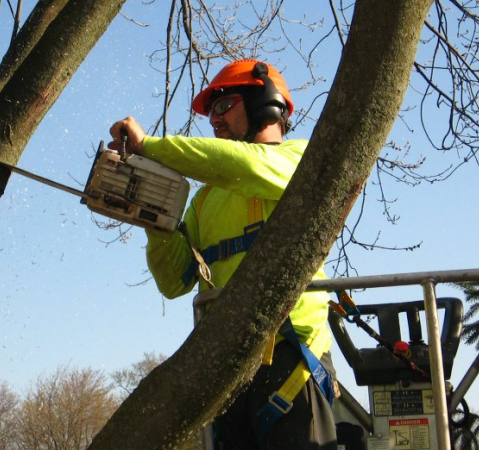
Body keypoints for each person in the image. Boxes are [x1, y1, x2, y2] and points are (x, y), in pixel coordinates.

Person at [109, 59, 337, 450]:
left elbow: (243, 166)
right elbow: (174, 281)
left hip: (290, 357)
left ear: (265, 103)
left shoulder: (301, 160)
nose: (213, 121)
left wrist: (152, 148)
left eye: (222, 106)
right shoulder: (206, 200)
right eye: (210, 113)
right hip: (225, 365)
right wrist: (156, 219)